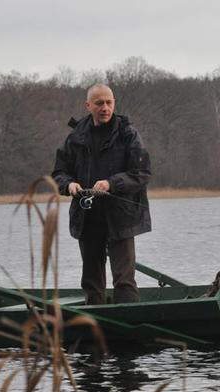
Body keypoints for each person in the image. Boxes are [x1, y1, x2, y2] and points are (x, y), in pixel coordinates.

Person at [52, 84, 151, 305]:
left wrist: (111, 183)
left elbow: (142, 173)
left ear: (114, 103)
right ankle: (94, 328)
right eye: (99, 103)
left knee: (124, 280)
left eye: (109, 102)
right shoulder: (74, 137)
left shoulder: (129, 134)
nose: (105, 107)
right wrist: (68, 185)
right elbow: (59, 173)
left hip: (121, 217)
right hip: (87, 217)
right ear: (88, 106)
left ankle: (132, 328)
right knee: (91, 281)